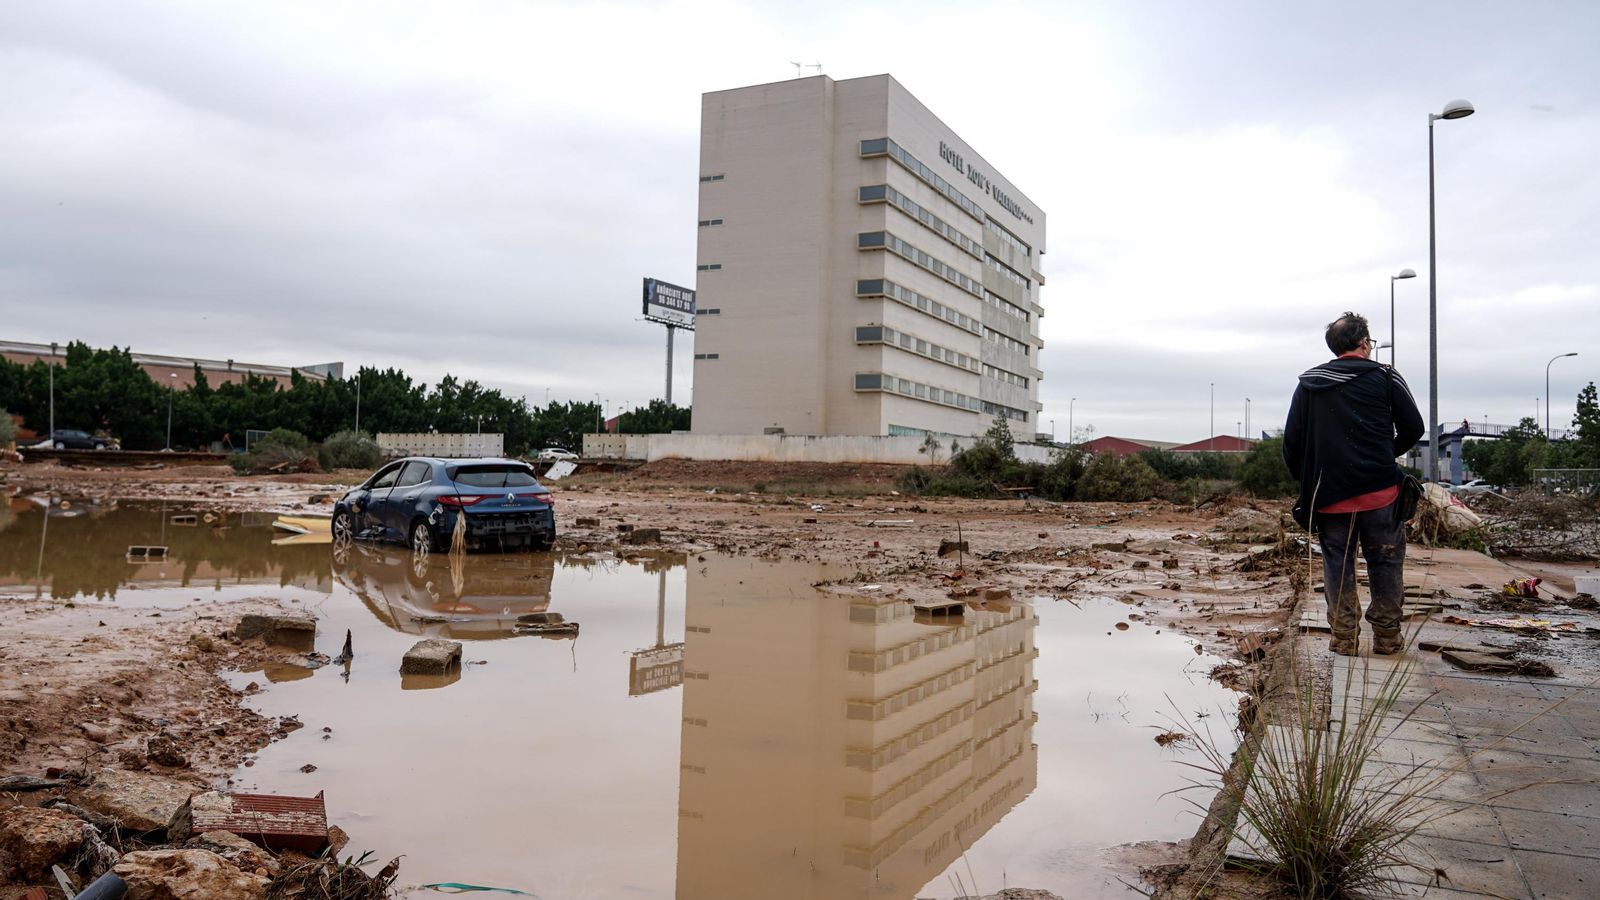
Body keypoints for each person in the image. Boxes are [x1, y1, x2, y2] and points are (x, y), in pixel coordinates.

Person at [1283, 312, 1425, 656]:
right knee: (1386, 562)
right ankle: (1387, 638)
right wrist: (1385, 454)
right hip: (1381, 494)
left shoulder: (1310, 383)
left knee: (1337, 564)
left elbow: (1292, 443)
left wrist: (1311, 481)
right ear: (1364, 343)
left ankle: (1344, 638)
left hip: (1330, 497)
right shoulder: (1386, 377)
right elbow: (1414, 428)